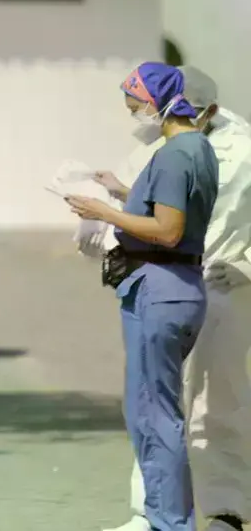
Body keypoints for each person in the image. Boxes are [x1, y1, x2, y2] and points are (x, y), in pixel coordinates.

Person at [93, 66, 251, 531]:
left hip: (223, 287)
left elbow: (170, 225)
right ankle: (151, 509)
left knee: (212, 402)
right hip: (168, 281)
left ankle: (223, 510)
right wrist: (117, 199)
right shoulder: (167, 143)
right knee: (151, 402)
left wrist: (247, 265)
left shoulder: (241, 150)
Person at [66, 62, 219, 531]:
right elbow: (171, 206)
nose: (133, 112)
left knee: (155, 416)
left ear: (159, 102)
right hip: (177, 288)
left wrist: (103, 210)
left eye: (136, 104)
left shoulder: (174, 152)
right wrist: (124, 192)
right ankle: (166, 517)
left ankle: (170, 522)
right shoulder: (197, 148)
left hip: (162, 289)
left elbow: (169, 230)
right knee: (153, 409)